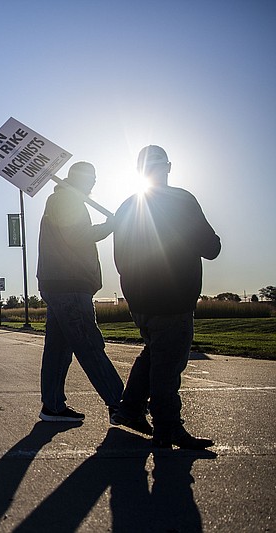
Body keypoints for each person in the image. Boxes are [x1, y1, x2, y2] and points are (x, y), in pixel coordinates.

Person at [112, 146, 220, 449]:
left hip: (141, 303)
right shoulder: (181, 200)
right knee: (168, 366)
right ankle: (168, 427)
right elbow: (210, 248)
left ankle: (131, 408)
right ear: (168, 167)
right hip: (172, 299)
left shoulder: (126, 207)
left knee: (154, 355)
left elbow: (120, 260)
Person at [36, 162, 124, 423]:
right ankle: (120, 404)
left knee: (58, 349)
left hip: (60, 283)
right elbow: (77, 236)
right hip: (69, 284)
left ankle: (52, 406)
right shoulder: (65, 200)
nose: (94, 183)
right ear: (80, 179)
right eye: (91, 178)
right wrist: (111, 226)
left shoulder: (64, 199)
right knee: (89, 345)